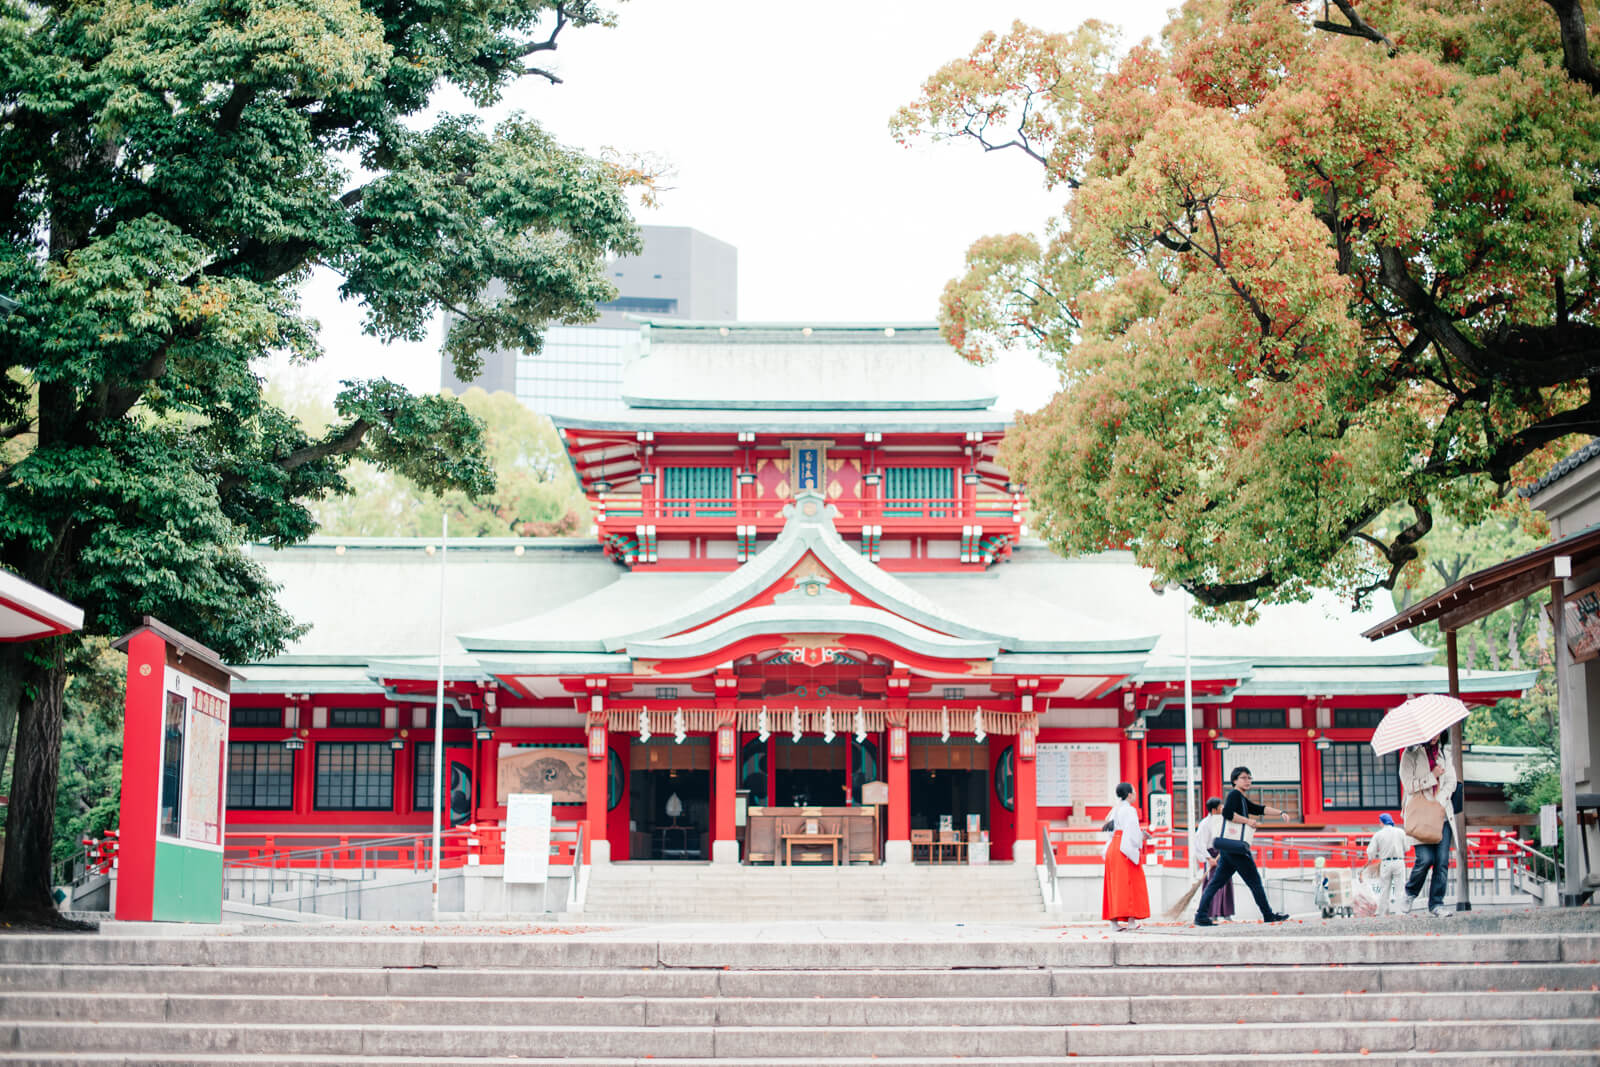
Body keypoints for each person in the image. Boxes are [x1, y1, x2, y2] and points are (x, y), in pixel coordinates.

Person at [1193, 766, 1291, 926]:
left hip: (1228, 850)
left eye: (1249, 778)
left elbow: (1259, 809)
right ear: (1234, 781)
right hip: (1236, 849)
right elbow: (1228, 813)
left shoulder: (1241, 797)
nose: (1247, 780)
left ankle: (1201, 915)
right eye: (1243, 778)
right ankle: (1268, 915)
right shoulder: (1234, 795)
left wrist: (1280, 812)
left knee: (1216, 883)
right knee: (1255, 882)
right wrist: (1248, 821)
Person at [1400, 731, 1457, 917]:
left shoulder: (1445, 755)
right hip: (1420, 813)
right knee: (1425, 859)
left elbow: (1451, 782)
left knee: (1441, 862)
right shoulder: (1410, 755)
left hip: (1441, 812)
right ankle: (1410, 892)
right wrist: (1432, 776)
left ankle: (1436, 904)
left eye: (1438, 732)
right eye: (1431, 733)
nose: (1435, 736)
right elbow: (1408, 786)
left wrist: (1440, 801)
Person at [1102, 782, 1150, 931]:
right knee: (1131, 884)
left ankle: (1114, 923)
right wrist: (1142, 838)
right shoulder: (1129, 811)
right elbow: (1132, 832)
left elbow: (1111, 830)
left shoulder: (1115, 810)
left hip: (1113, 847)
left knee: (1114, 885)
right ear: (1129, 794)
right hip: (1124, 848)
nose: (1135, 795)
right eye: (1134, 792)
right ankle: (1131, 921)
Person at [1190, 796, 1234, 920]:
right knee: (1214, 883)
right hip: (1212, 855)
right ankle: (1211, 913)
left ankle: (1226, 913)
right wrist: (1209, 859)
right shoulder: (1205, 824)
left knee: (1226, 882)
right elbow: (1200, 843)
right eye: (1221, 807)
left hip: (1223, 854)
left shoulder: (1223, 820)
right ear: (1214, 810)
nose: (1223, 809)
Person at [1365, 812, 1408, 917]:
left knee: (1385, 888)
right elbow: (1407, 847)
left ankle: (1383, 912)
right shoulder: (1400, 832)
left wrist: (1371, 858)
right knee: (1400, 887)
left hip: (1385, 862)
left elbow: (1371, 851)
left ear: (1382, 822)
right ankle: (1399, 911)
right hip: (1399, 861)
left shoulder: (1378, 834)